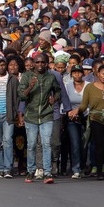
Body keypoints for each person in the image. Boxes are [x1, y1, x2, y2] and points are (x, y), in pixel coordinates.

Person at [69, 64, 104, 180]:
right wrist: (77, 110)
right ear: (97, 74)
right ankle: (100, 171)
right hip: (96, 118)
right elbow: (84, 105)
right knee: (100, 145)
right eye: (103, 73)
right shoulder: (90, 87)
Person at [18, 52, 61, 184]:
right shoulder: (27, 76)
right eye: (37, 62)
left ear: (47, 63)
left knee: (46, 143)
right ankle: (31, 171)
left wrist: (55, 99)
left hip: (46, 114)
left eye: (43, 62)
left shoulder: (51, 77)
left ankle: (47, 173)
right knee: (31, 145)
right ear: (33, 64)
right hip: (31, 115)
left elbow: (58, 91)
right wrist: (30, 86)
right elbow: (21, 96)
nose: (40, 64)